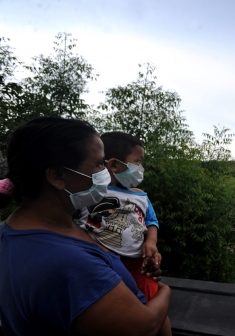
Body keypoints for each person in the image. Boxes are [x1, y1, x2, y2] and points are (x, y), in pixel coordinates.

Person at [0, 117, 171, 335]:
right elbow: (144, 327)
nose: (104, 172)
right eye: (99, 163)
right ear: (57, 175)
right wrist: (165, 291)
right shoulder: (70, 263)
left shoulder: (14, 232)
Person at [76, 132, 160, 301]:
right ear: (114, 165)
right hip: (97, 262)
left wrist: (151, 242)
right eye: (138, 161)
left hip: (136, 263)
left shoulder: (141, 197)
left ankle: (155, 325)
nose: (141, 168)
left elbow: (151, 221)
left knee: (150, 296)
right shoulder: (91, 192)